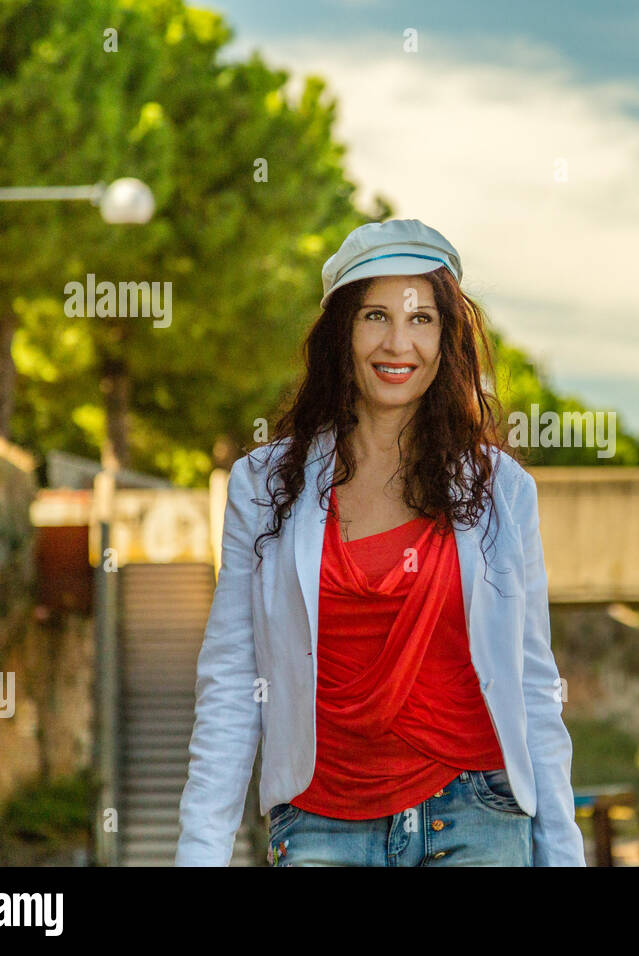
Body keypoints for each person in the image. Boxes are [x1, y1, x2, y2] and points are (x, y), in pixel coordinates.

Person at [175, 219, 586, 866]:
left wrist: (562, 853)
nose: (400, 342)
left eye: (422, 319)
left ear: (447, 339)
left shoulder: (502, 489)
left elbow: (533, 683)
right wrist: (200, 854)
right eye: (376, 315)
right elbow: (232, 681)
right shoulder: (261, 486)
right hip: (320, 823)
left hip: (477, 814)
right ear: (342, 332)